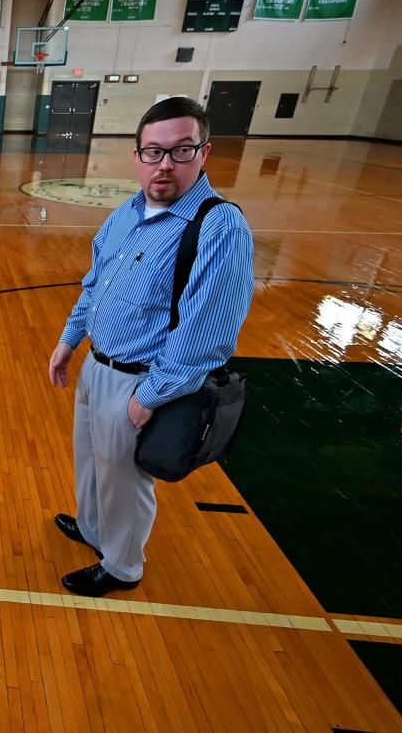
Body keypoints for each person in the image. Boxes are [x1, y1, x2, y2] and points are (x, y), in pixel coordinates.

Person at [48, 96, 254, 598]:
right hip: (98, 366)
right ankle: (95, 530)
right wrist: (69, 341)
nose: (165, 164)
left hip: (140, 379)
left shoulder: (219, 226)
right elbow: (94, 284)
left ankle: (122, 567)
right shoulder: (126, 213)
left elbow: (208, 331)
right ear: (137, 156)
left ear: (203, 153)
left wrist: (151, 395)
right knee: (92, 461)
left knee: (125, 478)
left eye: (180, 151)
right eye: (153, 152)